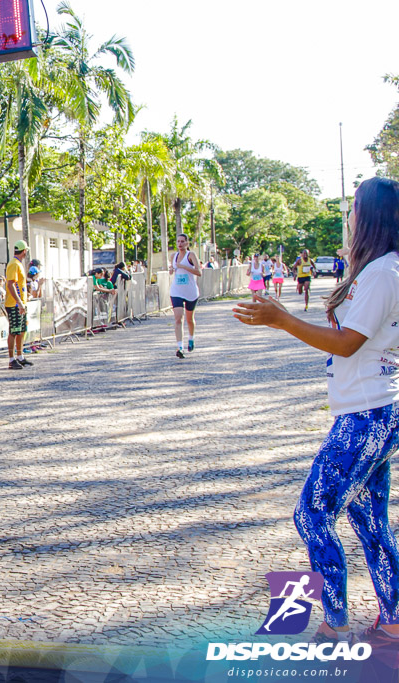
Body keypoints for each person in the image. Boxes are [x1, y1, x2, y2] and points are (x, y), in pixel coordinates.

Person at [232, 177, 399, 648]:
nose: (348, 219)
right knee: (370, 520)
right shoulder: (382, 269)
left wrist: (283, 319)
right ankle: (392, 619)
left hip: (366, 416)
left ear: (371, 218)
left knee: (312, 512)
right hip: (375, 410)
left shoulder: (384, 273)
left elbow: (349, 343)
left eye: (353, 212)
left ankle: (335, 623)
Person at [169, 234, 202, 358]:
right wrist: (171, 269)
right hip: (176, 290)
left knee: (189, 319)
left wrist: (184, 266)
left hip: (190, 291)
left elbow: (199, 272)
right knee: (178, 318)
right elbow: (172, 269)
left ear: (187, 243)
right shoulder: (173, 256)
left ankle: (191, 338)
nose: (180, 244)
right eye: (178, 241)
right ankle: (180, 347)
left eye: (183, 241)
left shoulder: (191, 255)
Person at [5, 240, 31, 370]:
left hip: (19, 304)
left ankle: (20, 356)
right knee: (14, 331)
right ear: (24, 251)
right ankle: (11, 359)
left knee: (21, 330)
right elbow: (10, 284)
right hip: (14, 304)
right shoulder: (14, 264)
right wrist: (19, 302)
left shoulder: (17, 263)